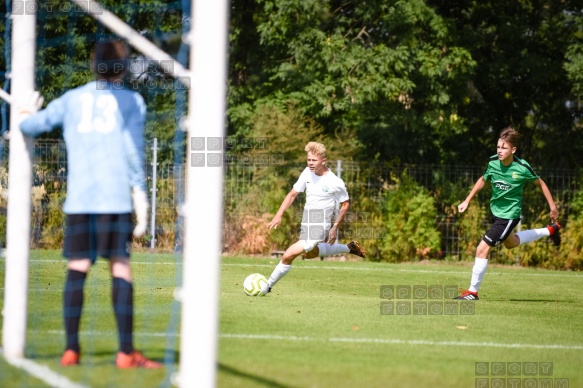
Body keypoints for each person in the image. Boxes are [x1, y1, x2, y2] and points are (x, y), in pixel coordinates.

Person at [19, 40, 161, 368]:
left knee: (77, 268)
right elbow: (132, 151)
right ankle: (126, 352)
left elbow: (30, 126)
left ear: (92, 64)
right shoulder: (132, 102)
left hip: (80, 201)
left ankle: (71, 350)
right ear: (122, 68)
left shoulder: (71, 99)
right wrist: (140, 193)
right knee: (120, 268)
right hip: (114, 199)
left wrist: (26, 113)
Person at [454, 127, 561, 300]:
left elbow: (541, 183)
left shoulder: (522, 167)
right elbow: (483, 179)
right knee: (511, 243)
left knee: (482, 248)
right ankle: (550, 230)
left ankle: (472, 292)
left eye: (504, 147)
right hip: (496, 212)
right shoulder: (493, 162)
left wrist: (552, 207)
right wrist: (467, 200)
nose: (499, 151)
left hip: (509, 216)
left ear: (513, 150)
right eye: (498, 147)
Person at [262, 141, 366, 295]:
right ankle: (349, 248)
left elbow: (345, 204)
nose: (310, 163)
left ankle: (267, 286)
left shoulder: (335, 182)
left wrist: (334, 227)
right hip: (307, 220)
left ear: (323, 160)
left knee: (288, 255)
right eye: (308, 160)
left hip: (320, 224)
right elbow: (292, 194)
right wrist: (279, 215)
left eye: (314, 160)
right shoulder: (306, 173)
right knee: (309, 253)